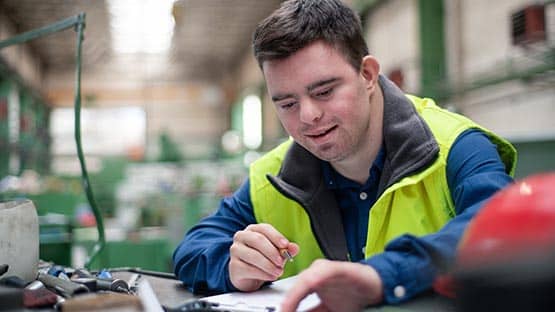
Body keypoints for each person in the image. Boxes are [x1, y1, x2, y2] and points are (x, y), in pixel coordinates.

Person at [173, 0, 517, 310]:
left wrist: (384, 275)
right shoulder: (274, 176)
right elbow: (191, 249)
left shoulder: (456, 148)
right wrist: (231, 265)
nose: (308, 116)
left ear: (367, 74)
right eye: (287, 103)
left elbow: (504, 231)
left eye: (324, 91)